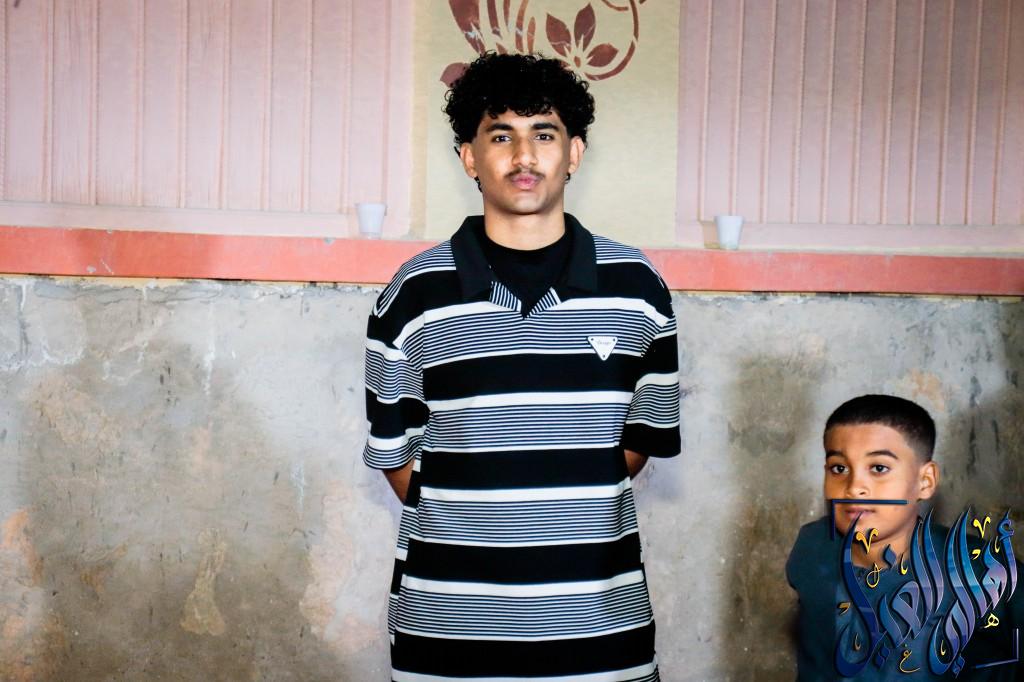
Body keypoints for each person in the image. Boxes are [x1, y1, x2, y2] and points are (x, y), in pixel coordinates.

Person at [363, 52, 681, 681]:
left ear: (575, 152)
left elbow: (638, 442)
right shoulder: (413, 293)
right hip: (448, 627)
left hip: (599, 628)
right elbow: (397, 459)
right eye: (500, 135)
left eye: (544, 134)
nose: (524, 155)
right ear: (469, 157)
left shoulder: (638, 287)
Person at [787, 394, 1023, 680]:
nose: (854, 487)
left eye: (879, 468)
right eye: (839, 468)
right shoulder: (812, 548)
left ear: (925, 481)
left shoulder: (984, 573)